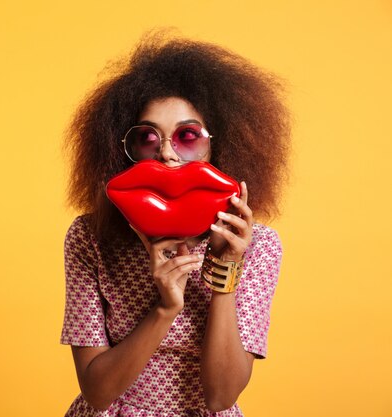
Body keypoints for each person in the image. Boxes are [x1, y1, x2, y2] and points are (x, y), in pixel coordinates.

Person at [60, 30, 291, 417]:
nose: (167, 153)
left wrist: (225, 272)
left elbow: (221, 397)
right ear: (124, 151)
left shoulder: (258, 245)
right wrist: (165, 308)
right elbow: (97, 393)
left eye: (187, 136)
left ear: (221, 145)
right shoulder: (90, 237)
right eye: (148, 138)